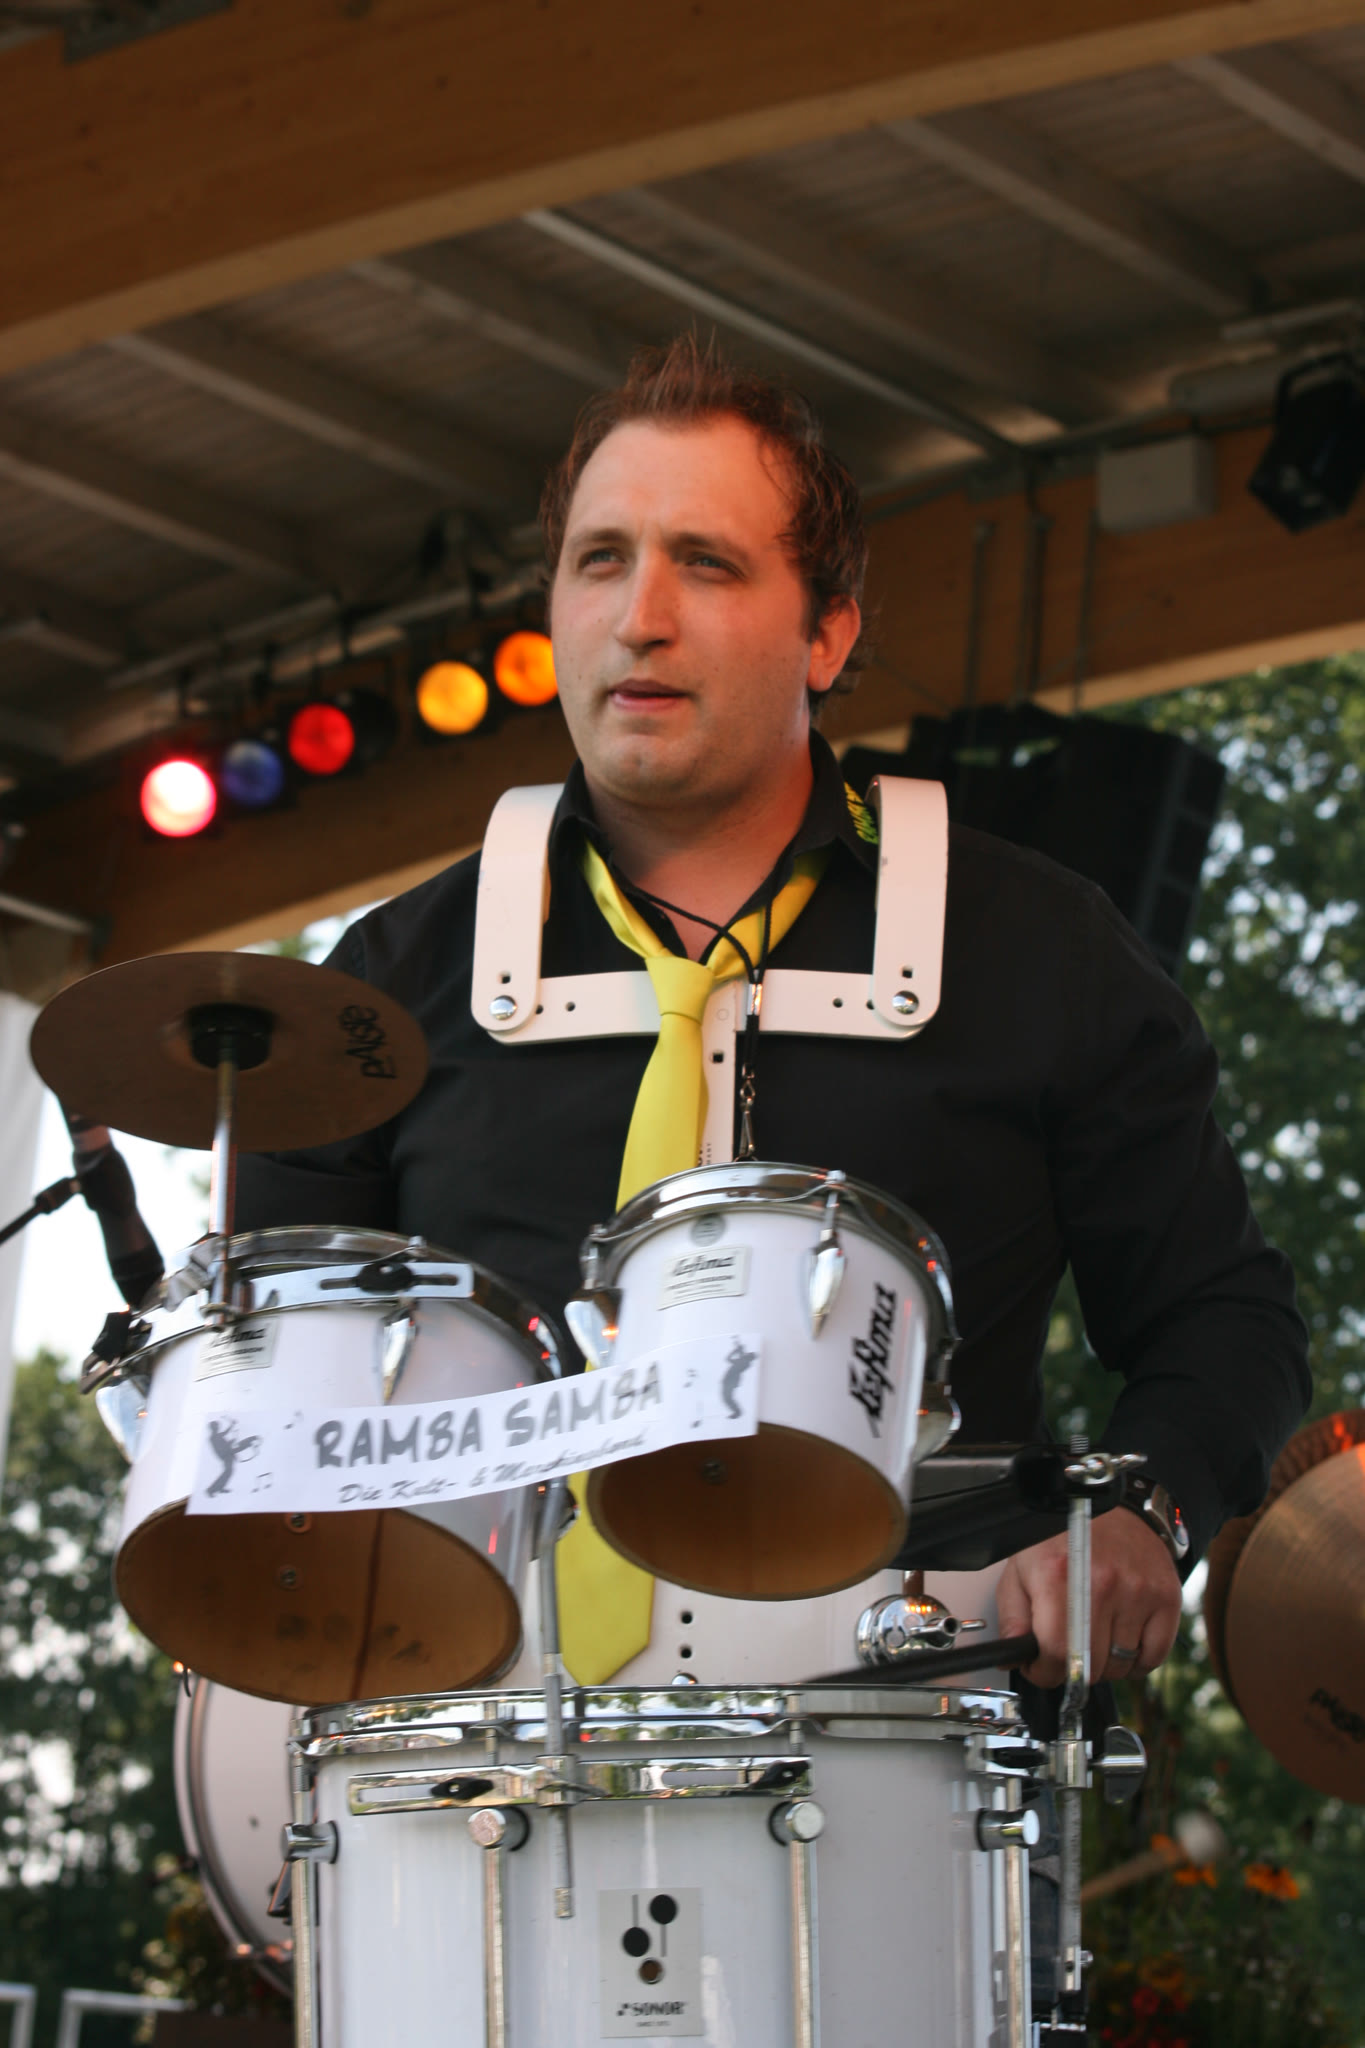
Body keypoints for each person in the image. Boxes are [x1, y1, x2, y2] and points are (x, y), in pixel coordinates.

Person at [237, 334, 1309, 1696]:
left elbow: (1223, 1316)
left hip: (908, 1725)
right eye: (600, 560)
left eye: (707, 562)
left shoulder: (1037, 948)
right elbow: (270, 1378)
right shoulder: (385, 980)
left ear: (829, 632)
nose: (641, 616)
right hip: (465, 1741)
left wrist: (1141, 1518)